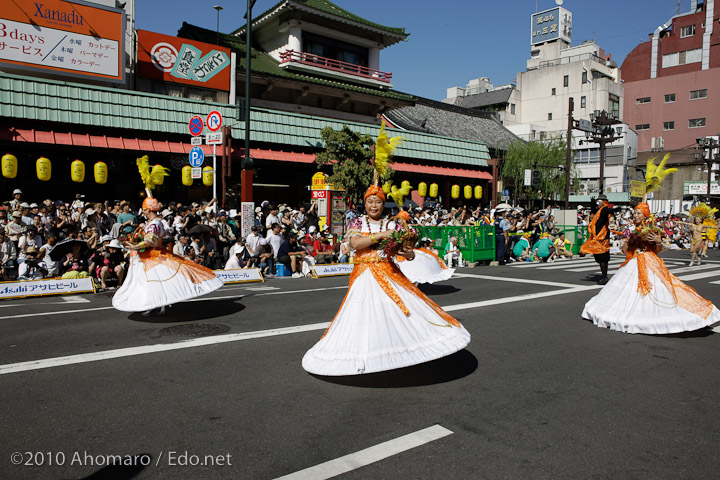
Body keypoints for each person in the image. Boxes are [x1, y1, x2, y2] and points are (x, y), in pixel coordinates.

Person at [302, 182, 470, 376]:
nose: (374, 206)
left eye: (378, 202)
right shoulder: (358, 223)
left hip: (390, 273)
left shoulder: (393, 224)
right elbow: (355, 243)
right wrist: (381, 235)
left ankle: (396, 354)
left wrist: (408, 254)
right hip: (364, 275)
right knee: (363, 316)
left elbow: (404, 253)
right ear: (365, 204)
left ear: (383, 204)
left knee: (397, 315)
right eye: (370, 202)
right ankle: (367, 356)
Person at [582, 203, 720, 334]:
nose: (635, 215)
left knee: (657, 289)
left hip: (650, 260)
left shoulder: (652, 228)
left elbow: (658, 248)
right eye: (634, 213)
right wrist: (630, 240)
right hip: (633, 261)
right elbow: (624, 250)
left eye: (639, 213)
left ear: (645, 215)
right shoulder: (630, 228)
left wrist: (658, 241)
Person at [112, 161, 223, 316]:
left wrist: (134, 247)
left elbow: (150, 241)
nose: (142, 212)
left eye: (144, 209)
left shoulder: (155, 223)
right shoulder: (156, 222)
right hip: (150, 256)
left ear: (146, 209)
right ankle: (154, 304)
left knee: (154, 283)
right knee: (151, 283)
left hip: (152, 257)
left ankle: (158, 304)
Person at [580, 194, 614, 284]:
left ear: (603, 202)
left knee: (602, 258)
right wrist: (592, 203)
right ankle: (604, 276)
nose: (597, 204)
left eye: (599, 202)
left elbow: (609, 210)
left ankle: (604, 277)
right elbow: (594, 210)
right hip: (598, 237)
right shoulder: (599, 211)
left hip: (602, 238)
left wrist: (615, 209)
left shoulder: (604, 209)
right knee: (600, 258)